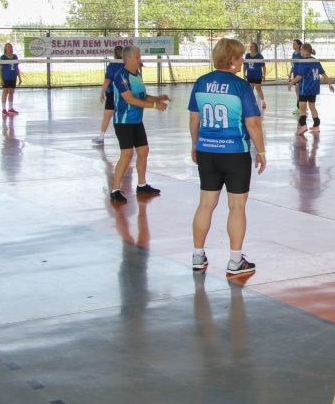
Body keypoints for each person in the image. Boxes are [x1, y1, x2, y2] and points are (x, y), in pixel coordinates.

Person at [188, 38, 266, 276]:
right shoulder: (241, 86)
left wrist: (195, 145)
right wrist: (261, 151)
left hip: (207, 151)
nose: (243, 61)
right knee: (237, 206)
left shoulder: (201, 83)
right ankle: (235, 261)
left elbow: (194, 119)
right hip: (234, 153)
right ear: (232, 60)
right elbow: (252, 123)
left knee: (206, 204)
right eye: (240, 57)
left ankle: (198, 255)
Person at [109, 45, 169, 203]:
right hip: (124, 122)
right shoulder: (121, 76)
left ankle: (142, 185)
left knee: (143, 151)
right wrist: (155, 107)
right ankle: (115, 189)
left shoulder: (137, 74)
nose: (139, 60)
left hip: (136, 121)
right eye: (137, 57)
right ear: (127, 58)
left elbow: (141, 96)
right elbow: (130, 99)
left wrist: (156, 99)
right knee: (127, 154)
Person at [289, 42, 335, 135]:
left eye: (301, 49)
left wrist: (291, 83)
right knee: (312, 106)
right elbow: (323, 74)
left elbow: (299, 76)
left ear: (305, 51)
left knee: (302, 108)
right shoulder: (316, 61)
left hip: (305, 87)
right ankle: (316, 126)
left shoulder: (304, 61)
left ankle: (303, 125)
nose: (300, 51)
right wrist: (330, 84)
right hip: (314, 88)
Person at [93, 45, 125, 145]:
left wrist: (102, 92)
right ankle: (128, 137)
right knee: (124, 116)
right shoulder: (128, 64)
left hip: (113, 94)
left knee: (107, 116)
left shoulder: (112, 65)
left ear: (114, 54)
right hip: (126, 93)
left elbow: (107, 80)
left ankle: (101, 137)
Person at [0, 42, 22, 116]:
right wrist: (1, 79)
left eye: (11, 47)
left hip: (13, 77)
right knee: (5, 92)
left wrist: (19, 77)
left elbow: (17, 67)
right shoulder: (3, 57)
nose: (10, 49)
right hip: (6, 77)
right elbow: (0, 69)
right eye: (8, 47)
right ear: (5, 49)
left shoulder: (15, 56)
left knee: (11, 92)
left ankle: (10, 108)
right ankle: (3, 109)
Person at [243, 42, 266, 109]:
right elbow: (244, 66)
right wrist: (244, 74)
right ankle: (252, 102)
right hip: (250, 74)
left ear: (255, 48)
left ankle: (263, 101)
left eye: (252, 46)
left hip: (257, 74)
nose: (251, 48)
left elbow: (263, 66)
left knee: (258, 88)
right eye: (250, 46)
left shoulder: (259, 56)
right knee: (250, 89)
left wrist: (264, 74)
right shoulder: (247, 55)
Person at [288, 38, 302, 115]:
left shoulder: (301, 54)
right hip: (295, 74)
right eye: (293, 44)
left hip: (300, 75)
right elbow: (293, 65)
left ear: (299, 45)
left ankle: (300, 107)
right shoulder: (294, 54)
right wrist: (290, 74)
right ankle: (300, 106)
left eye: (294, 44)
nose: (293, 45)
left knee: (298, 89)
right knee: (297, 91)